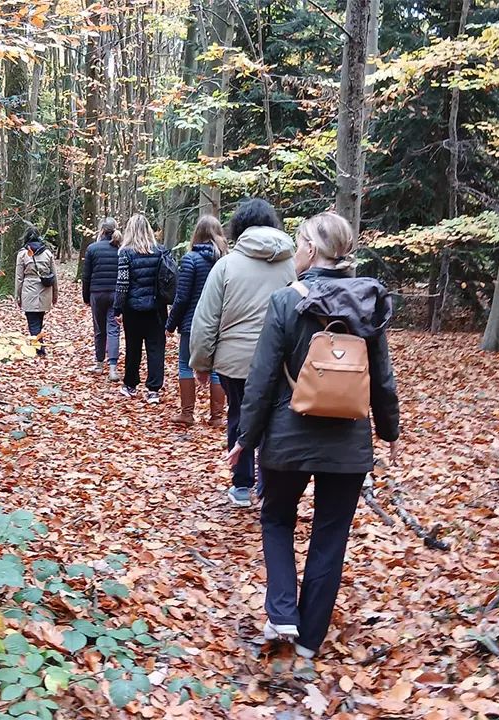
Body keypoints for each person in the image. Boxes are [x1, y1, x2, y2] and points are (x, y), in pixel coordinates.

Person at [229, 211, 400, 659]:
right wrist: (389, 430)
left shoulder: (287, 301)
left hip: (288, 436)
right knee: (331, 534)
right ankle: (309, 641)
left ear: (309, 249)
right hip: (349, 442)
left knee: (277, 518)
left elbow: (263, 377)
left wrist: (245, 438)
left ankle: (283, 612)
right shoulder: (369, 300)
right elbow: (381, 377)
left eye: (300, 242)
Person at [190, 199, 296, 507]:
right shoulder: (292, 264)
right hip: (280, 360)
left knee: (238, 414)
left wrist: (201, 362)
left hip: (234, 360)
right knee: (274, 419)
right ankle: (268, 485)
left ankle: (241, 486)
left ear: (238, 227)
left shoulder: (226, 265)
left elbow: (207, 318)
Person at [165, 215, 227, 427]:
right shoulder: (226, 260)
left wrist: (171, 324)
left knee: (185, 364)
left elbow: (182, 296)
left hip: (193, 322)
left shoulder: (190, 259)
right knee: (218, 367)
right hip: (220, 322)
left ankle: (187, 413)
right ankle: (217, 416)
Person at [114, 214, 169, 403]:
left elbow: (122, 284)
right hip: (157, 309)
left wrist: (117, 309)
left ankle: (130, 385)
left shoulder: (125, 253)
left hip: (133, 309)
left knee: (133, 347)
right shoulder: (160, 251)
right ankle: (154, 390)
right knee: (156, 348)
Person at [82, 217, 122, 380]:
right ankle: (113, 368)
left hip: (97, 293)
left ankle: (99, 363)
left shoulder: (92, 248)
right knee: (114, 329)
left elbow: (86, 276)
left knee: (99, 329)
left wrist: (86, 297)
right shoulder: (121, 249)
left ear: (102, 231)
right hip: (115, 294)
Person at [13, 224, 58, 356]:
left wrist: (18, 296)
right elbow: (54, 275)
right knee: (38, 320)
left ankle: (39, 349)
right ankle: (38, 346)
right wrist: (55, 294)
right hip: (45, 290)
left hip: (28, 289)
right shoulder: (47, 253)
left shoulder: (22, 254)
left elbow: (19, 277)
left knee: (32, 321)